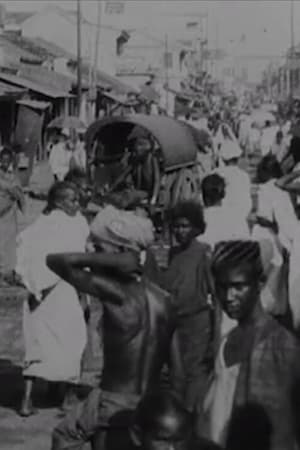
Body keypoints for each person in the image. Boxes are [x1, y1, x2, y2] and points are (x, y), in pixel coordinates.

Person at [46, 205, 184, 450]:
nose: (92, 252)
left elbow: (57, 262)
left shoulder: (115, 292)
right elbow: (178, 375)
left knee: (64, 436)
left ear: (120, 253)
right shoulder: (166, 300)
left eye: (99, 248)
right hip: (150, 404)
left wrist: (116, 259)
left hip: (113, 405)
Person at [203, 240, 300, 450]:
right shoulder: (228, 339)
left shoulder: (281, 345)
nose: (229, 297)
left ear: (260, 283)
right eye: (222, 287)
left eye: (239, 287)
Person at [16, 181, 90, 416]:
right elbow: (77, 259)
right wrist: (83, 290)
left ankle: (27, 401)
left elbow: (24, 251)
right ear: (58, 202)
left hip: (38, 292)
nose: (77, 204)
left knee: (37, 344)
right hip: (63, 289)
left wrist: (33, 283)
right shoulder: (73, 225)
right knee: (72, 340)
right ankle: (68, 398)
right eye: (72, 200)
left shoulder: (39, 224)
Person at [162, 200, 214, 414]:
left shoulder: (204, 252)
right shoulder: (172, 253)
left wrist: (216, 336)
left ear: (196, 228)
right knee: (176, 376)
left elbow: (215, 296)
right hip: (175, 325)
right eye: (176, 226)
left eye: (185, 226)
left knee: (195, 378)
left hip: (197, 324)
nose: (180, 231)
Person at [253, 154, 297, 316]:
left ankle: (266, 307)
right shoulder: (281, 190)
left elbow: (263, 217)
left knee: (267, 272)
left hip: (265, 233)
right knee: (277, 272)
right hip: (276, 233)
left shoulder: (264, 189)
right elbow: (285, 218)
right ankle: (277, 308)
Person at [214, 133, 252, 225]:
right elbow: (246, 201)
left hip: (219, 217)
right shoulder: (243, 176)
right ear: (238, 158)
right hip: (239, 217)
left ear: (222, 159)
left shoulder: (215, 173)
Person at [0, 147, 25, 285]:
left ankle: (7, 274)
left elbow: (18, 193)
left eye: (7, 161)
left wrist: (11, 191)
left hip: (8, 216)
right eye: (2, 161)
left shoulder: (13, 176)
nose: (4, 164)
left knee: (8, 245)